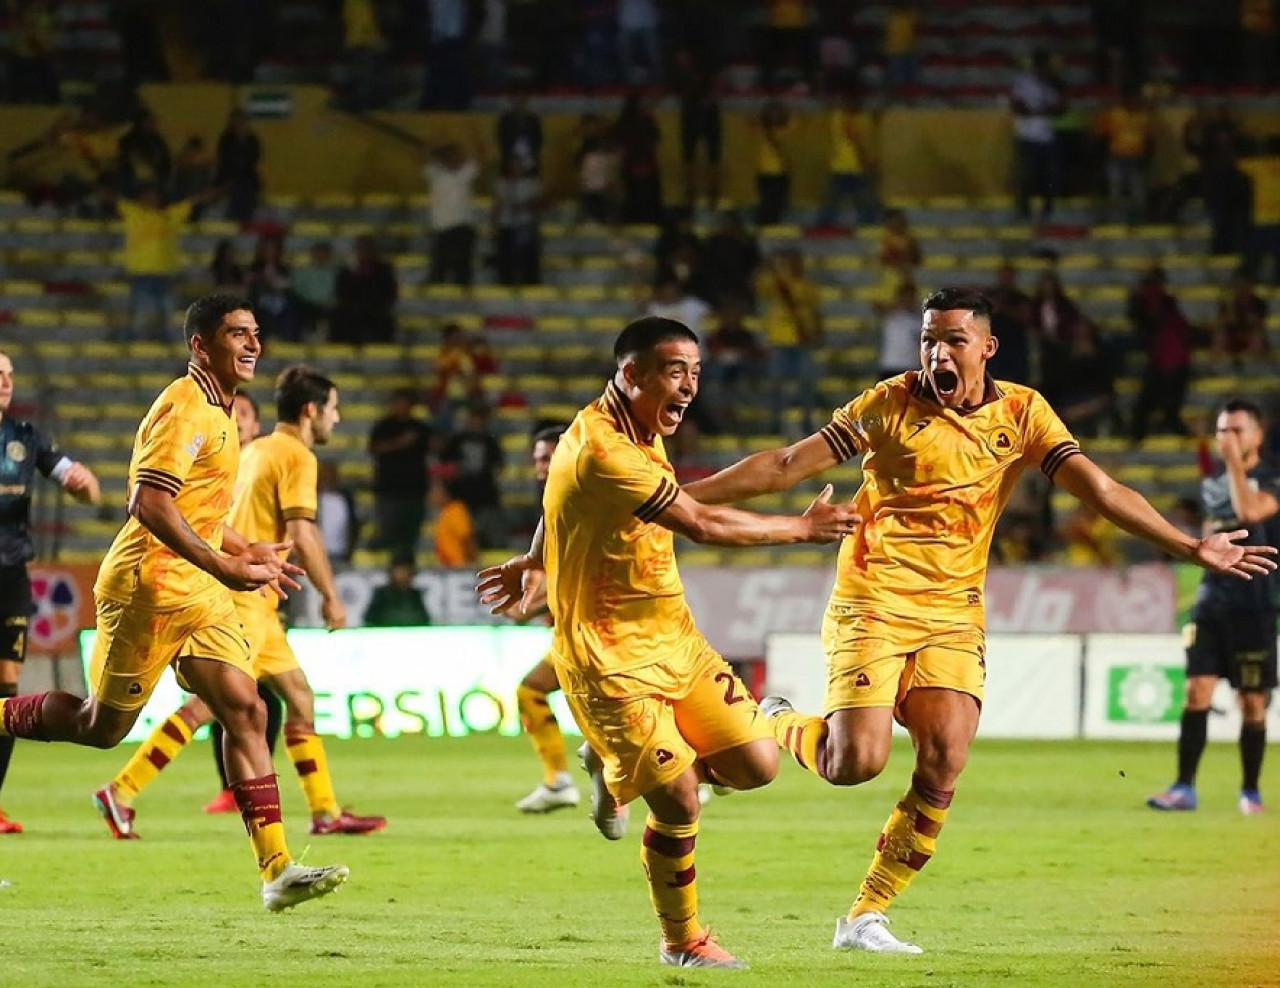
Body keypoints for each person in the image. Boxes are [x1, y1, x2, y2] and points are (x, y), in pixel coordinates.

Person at [679, 288, 1276, 954]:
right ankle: (775, 718)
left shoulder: (1022, 414)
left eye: (953, 339)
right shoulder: (888, 404)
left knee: (944, 761)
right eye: (929, 338)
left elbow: (1100, 491)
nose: (937, 351)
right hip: (874, 598)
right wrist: (673, 497)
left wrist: (1191, 545)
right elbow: (786, 465)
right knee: (856, 764)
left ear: (986, 347)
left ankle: (865, 915)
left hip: (954, 612)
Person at [476, 316, 860, 969]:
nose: (690, 386)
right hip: (608, 660)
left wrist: (536, 559)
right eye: (676, 371)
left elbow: (557, 502)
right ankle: (682, 941)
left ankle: (625, 769)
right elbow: (700, 521)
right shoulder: (603, 447)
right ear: (632, 376)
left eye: (697, 373)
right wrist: (797, 531)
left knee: (757, 767)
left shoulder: (629, 428)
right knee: (680, 799)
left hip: (675, 637)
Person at [0, 295, 348, 910]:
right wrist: (224, 565)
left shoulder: (222, 413)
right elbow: (149, 504)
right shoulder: (185, 408)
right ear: (200, 345)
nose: (252, 344)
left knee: (247, 710)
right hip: (148, 591)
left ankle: (277, 870)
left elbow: (199, 512)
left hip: (199, 594)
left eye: (256, 333)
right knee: (100, 727)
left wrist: (246, 549)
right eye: (236, 333)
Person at [94, 364, 385, 839]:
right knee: (211, 707)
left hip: (255, 600)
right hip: (244, 597)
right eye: (334, 409)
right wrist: (331, 596)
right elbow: (303, 533)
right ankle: (121, 790)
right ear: (312, 411)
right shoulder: (297, 456)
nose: (338, 419)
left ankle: (326, 813)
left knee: (300, 697)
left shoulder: (254, 451)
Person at [1148, 399, 1278, 816]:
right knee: (1195, 691)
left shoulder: (1271, 478)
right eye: (1222, 431)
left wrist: (1235, 468)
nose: (1227, 439)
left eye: (1237, 431)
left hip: (1254, 607)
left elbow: (1250, 511)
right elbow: (1211, 533)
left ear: (1257, 435)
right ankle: (1184, 787)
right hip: (1212, 604)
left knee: (1252, 702)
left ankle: (1250, 792)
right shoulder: (1213, 483)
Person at [0, 351, 101, 834]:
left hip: (11, 574)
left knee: (5, 685)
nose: (5, 382)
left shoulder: (24, 437)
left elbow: (70, 474)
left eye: (9, 375)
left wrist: (82, 484)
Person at [204, 391, 286, 814]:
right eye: (233, 415)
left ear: (256, 423)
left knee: (267, 702)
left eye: (246, 416)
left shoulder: (249, 460)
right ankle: (123, 789)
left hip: (254, 587)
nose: (238, 422)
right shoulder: (230, 464)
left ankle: (239, 793)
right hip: (235, 591)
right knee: (219, 701)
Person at [508, 425, 580, 815]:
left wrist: (529, 606)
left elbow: (575, 575)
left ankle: (686, 770)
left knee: (612, 712)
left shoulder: (575, 504)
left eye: (547, 457)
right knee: (534, 692)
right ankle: (559, 781)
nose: (540, 466)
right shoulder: (556, 507)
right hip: (574, 630)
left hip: (597, 630)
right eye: (536, 458)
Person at [368, 388, 432, 563]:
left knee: (411, 534)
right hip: (389, 490)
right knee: (389, 532)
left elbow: (434, 449)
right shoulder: (384, 426)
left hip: (415, 490)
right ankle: (390, 567)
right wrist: (400, 443)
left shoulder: (419, 427)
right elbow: (375, 449)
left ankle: (406, 566)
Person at [363, 559, 431, 627]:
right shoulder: (381, 594)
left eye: (406, 571)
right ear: (391, 573)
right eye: (400, 571)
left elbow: (424, 619)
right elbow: (369, 619)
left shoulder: (415, 595)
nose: (403, 575)